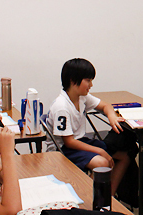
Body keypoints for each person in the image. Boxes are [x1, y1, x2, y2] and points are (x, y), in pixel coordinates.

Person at [47, 58, 132, 196]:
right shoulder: (61, 106)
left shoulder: (82, 97)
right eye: (88, 80)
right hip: (63, 149)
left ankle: (109, 197)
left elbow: (106, 106)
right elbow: (69, 142)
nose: (91, 84)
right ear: (73, 81)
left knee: (125, 155)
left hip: (80, 142)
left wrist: (112, 116)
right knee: (102, 162)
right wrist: (100, 151)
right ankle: (91, 200)